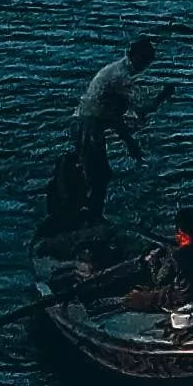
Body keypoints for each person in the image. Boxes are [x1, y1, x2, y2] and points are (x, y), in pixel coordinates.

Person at [45, 39, 160, 241]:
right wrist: (159, 101)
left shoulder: (119, 73)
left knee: (100, 174)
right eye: (144, 61)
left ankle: (92, 215)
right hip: (87, 125)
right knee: (98, 175)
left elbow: (115, 114)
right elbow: (124, 114)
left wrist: (129, 138)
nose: (145, 66)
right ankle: (91, 219)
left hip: (88, 123)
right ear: (134, 56)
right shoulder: (121, 77)